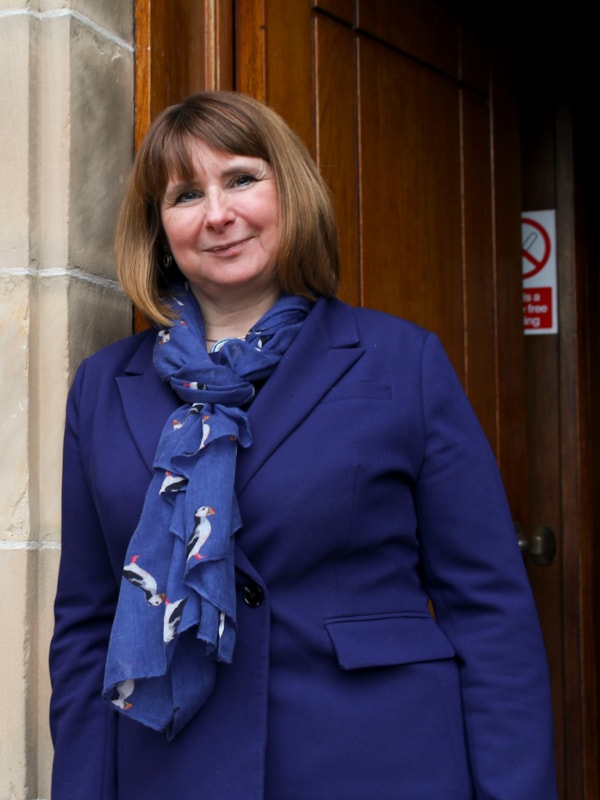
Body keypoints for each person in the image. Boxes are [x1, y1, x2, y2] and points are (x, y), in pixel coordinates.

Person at [48, 92, 556, 799]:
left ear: (289, 191)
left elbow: (488, 609)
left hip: (377, 761)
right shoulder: (103, 387)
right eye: (186, 194)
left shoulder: (400, 361)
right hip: (170, 770)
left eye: (242, 179)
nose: (218, 213)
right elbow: (87, 623)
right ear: (160, 231)